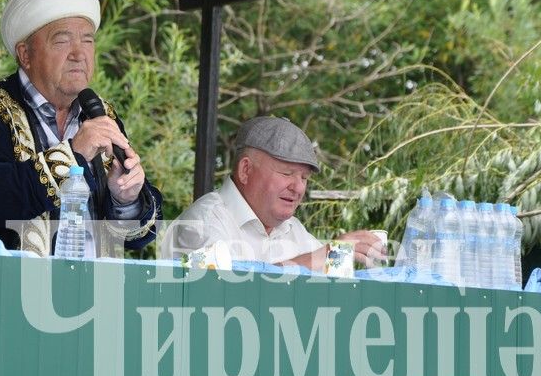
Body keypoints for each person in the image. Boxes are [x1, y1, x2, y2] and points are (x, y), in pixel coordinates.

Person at [0, 0, 162, 256]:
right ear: (25, 54)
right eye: (62, 41)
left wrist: (126, 197)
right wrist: (73, 154)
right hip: (2, 290)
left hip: (91, 292)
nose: (78, 53)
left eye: (87, 40)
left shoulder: (100, 114)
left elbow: (134, 238)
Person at [160, 116, 384, 271]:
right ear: (246, 170)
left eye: (304, 178)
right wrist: (326, 255)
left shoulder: (294, 230)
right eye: (287, 173)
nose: (298, 188)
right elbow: (226, 299)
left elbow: (326, 280)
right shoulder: (203, 222)